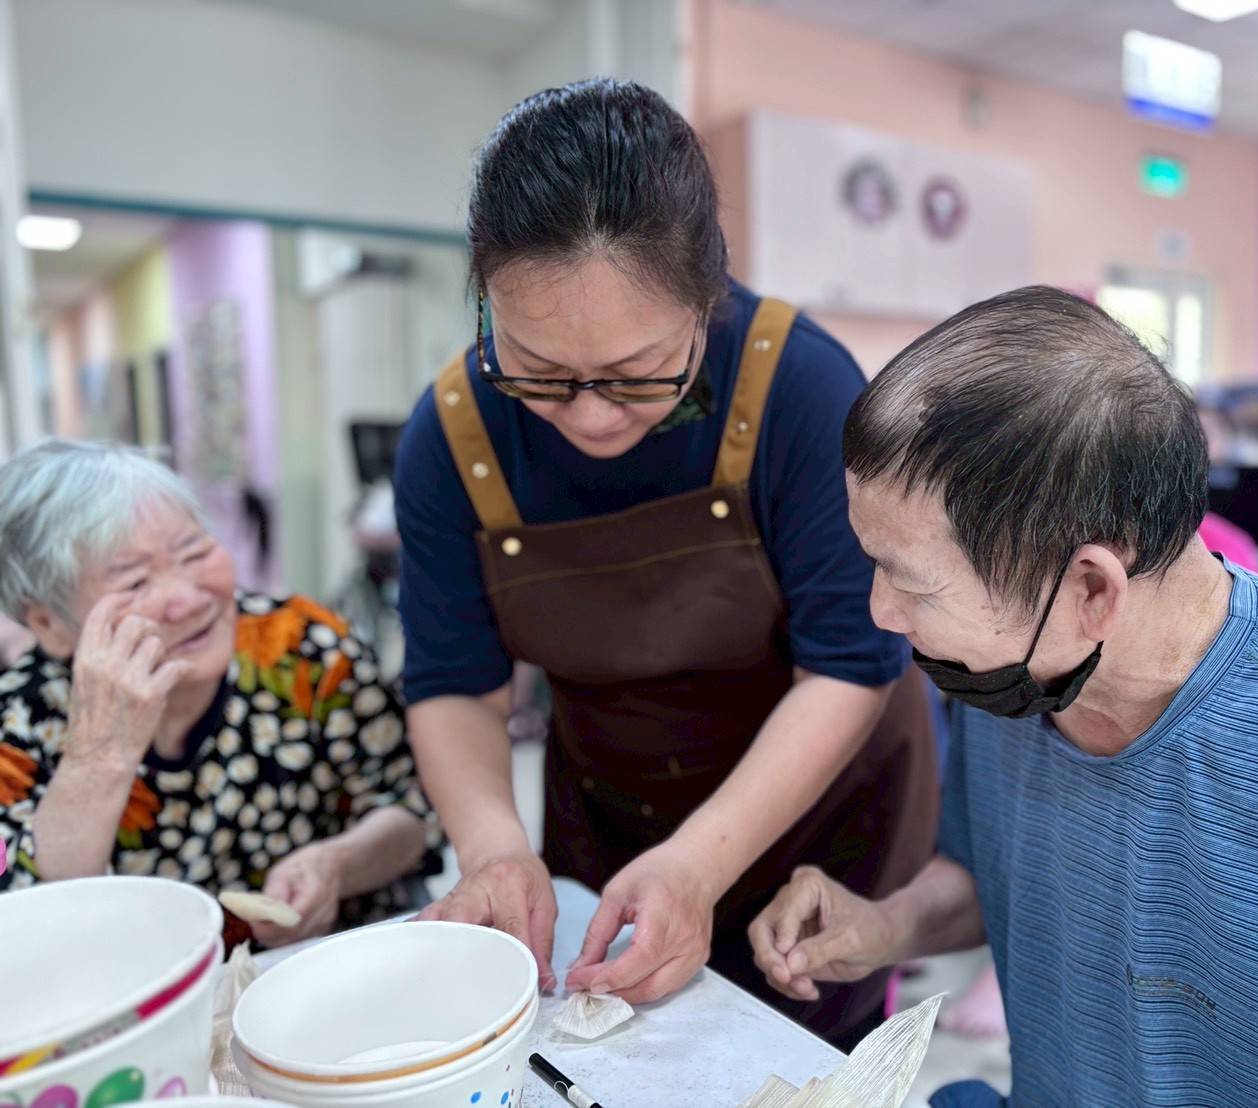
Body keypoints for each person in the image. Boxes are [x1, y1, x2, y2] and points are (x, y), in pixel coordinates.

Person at [751, 287, 1258, 1104]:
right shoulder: (1021, 672)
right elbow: (1003, 876)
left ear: (1092, 588)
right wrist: (883, 926)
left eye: (914, 585)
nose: (882, 613)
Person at [394, 78, 936, 1047]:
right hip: (607, 809)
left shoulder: (799, 388)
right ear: (484, 301)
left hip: (813, 818)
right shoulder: (449, 436)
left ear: (707, 301)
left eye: (639, 373)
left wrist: (699, 862)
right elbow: (452, 685)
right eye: (539, 371)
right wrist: (492, 848)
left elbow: (849, 661)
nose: (593, 414)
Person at [0, 441, 441, 947]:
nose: (187, 598)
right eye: (135, 582)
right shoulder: (19, 722)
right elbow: (30, 928)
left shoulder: (304, 651)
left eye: (195, 551)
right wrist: (99, 756)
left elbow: (412, 811)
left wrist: (336, 865)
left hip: (339, 962)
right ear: (48, 623)